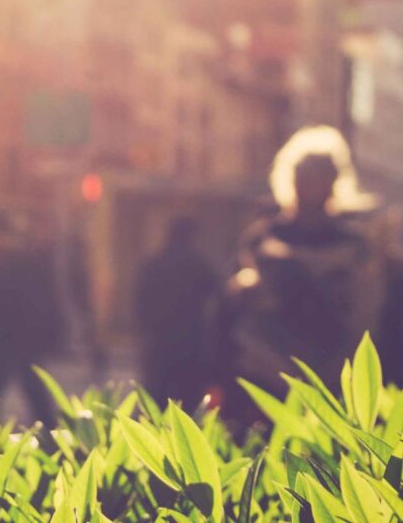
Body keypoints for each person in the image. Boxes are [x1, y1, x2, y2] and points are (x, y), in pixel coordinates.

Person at [212, 126, 384, 423]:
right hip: (264, 375)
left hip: (333, 376)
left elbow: (369, 312)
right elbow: (227, 306)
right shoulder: (263, 237)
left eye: (318, 178)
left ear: (333, 182)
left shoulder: (354, 244)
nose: (309, 188)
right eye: (303, 178)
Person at [0, 211, 61, 426]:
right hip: (18, 335)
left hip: (13, 334)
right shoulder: (19, 256)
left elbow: (2, 298)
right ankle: (50, 430)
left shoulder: (10, 259)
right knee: (23, 386)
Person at [134, 216, 217, 407]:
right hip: (190, 343)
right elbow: (215, 298)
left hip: (159, 342)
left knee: (155, 402)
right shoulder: (198, 266)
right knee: (188, 404)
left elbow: (140, 302)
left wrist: (144, 332)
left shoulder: (153, 264)